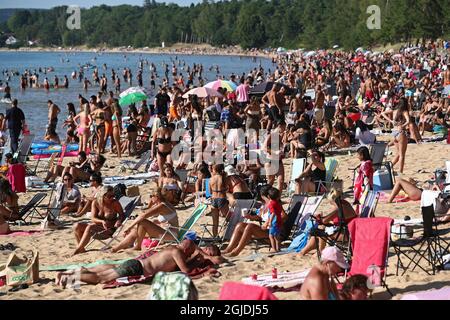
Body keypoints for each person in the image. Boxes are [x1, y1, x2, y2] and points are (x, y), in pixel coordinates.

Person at [56, 239, 197, 288]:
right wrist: (196, 261)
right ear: (186, 249)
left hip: (135, 263)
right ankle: (68, 277)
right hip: (136, 269)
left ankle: (74, 272)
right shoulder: (177, 253)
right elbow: (186, 271)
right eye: (189, 253)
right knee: (100, 279)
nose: (189, 255)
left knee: (102, 272)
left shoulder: (171, 248)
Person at [111, 187, 179, 252]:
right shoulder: (164, 204)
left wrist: (129, 227)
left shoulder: (162, 206)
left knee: (142, 222)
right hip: (167, 232)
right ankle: (116, 248)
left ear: (156, 197)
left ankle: (137, 246)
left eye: (151, 196)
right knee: (135, 230)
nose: (150, 198)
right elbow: (149, 213)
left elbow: (143, 216)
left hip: (171, 235)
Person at [299, 189, 357, 256]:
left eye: (330, 202)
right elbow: (330, 220)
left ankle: (319, 253)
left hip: (347, 235)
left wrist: (319, 218)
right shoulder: (344, 204)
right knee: (321, 228)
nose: (331, 204)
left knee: (320, 230)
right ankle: (307, 251)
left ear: (333, 200)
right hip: (348, 231)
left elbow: (324, 220)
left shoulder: (339, 207)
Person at [72, 186, 124, 255]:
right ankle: (81, 249)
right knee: (76, 226)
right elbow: (93, 218)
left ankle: (78, 249)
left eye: (113, 195)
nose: (112, 197)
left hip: (108, 230)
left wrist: (119, 220)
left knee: (90, 227)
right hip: (97, 227)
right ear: (103, 195)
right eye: (109, 196)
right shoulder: (96, 203)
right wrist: (102, 221)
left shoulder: (114, 203)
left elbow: (122, 215)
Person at [223, 186, 273, 257]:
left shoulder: (274, 204)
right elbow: (258, 217)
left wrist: (269, 222)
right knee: (240, 225)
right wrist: (249, 217)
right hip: (264, 229)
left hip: (272, 231)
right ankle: (228, 249)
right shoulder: (264, 205)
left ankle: (236, 251)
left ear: (262, 195)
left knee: (250, 226)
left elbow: (284, 216)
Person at [209, 164, 230, 238]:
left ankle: (215, 237)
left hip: (213, 199)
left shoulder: (211, 179)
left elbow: (210, 192)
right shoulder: (223, 178)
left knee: (215, 222)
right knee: (229, 219)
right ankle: (228, 235)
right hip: (222, 198)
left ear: (215, 170)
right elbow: (227, 188)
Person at [266, 187, 283, 253]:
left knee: (271, 236)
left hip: (274, 221)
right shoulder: (278, 203)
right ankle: (278, 248)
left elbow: (273, 213)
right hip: (279, 220)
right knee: (277, 236)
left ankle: (274, 248)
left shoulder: (271, 204)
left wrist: (270, 221)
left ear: (268, 196)